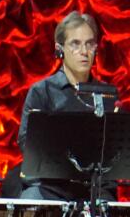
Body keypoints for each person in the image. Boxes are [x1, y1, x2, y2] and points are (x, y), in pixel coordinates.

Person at [18, 11, 117, 202]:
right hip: (50, 187)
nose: (84, 51)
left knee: (114, 215)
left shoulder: (107, 94)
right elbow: (26, 141)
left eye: (89, 44)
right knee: (33, 201)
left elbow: (115, 150)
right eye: (75, 44)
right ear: (59, 49)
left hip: (95, 189)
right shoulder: (42, 91)